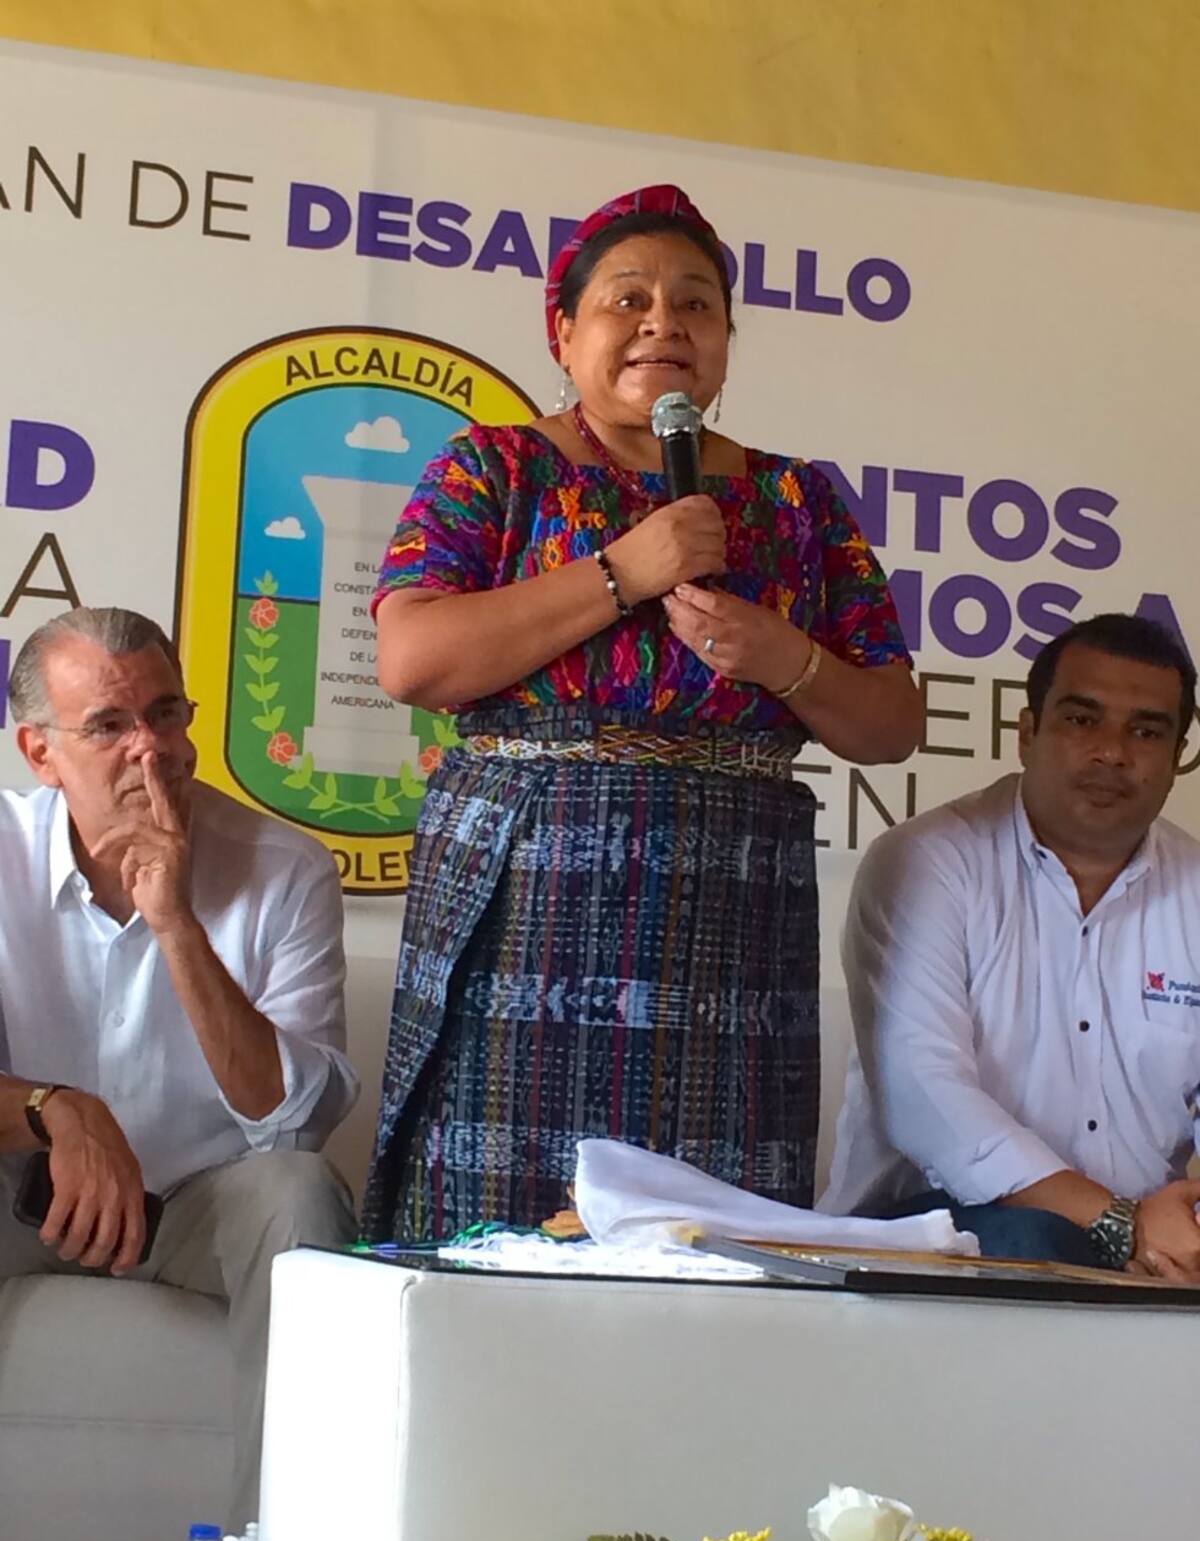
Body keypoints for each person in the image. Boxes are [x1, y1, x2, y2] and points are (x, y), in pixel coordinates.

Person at [365, 182, 920, 1244]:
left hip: (732, 908)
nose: (664, 324)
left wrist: (787, 659)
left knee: (710, 1234)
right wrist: (624, 570)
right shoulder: (495, 466)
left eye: (696, 304)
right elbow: (413, 658)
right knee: (500, 1223)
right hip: (529, 891)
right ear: (563, 334)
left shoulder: (798, 501)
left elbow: (891, 725)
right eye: (628, 300)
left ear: (726, 343)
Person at [0, 606, 360, 1523]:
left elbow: (292, 1124)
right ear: (40, 753)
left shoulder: (287, 869)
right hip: (23, 1196)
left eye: (165, 714)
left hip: (201, 1206)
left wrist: (175, 923)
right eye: (109, 726)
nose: (151, 749)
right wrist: (55, 1109)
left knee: (300, 1193)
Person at [821, 613, 1200, 1279]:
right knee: (1034, 1240)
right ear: (1028, 734)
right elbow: (928, 1099)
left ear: (1178, 758)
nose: (1112, 752)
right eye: (1082, 720)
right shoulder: (929, 862)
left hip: (1146, 1251)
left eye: (1146, 731)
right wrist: (1120, 1223)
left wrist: (1180, 1232)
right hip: (929, 1233)